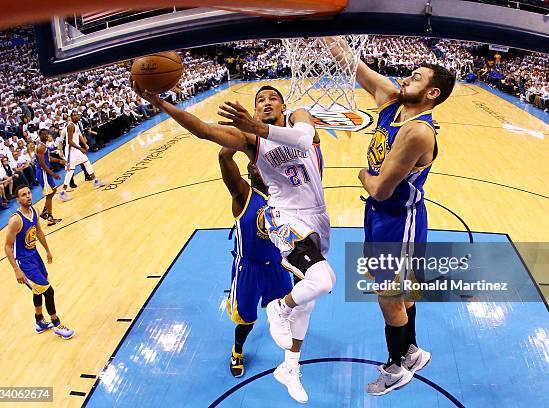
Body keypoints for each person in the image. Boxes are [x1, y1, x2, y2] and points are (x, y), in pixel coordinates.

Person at [132, 81, 335, 404]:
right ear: (253, 111)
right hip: (285, 216)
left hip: (317, 216)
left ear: (283, 107)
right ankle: (277, 309)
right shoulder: (249, 142)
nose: (267, 102)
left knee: (308, 300)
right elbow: (201, 130)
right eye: (260, 100)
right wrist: (157, 100)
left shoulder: (299, 117)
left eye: (273, 98)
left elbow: (305, 137)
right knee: (322, 281)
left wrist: (256, 125)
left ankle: (290, 367)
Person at [328, 37, 455, 395]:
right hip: (384, 215)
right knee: (403, 289)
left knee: (388, 294)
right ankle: (411, 351)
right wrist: (320, 32)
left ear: (431, 93)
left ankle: (396, 367)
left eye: (415, 77)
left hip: (399, 219)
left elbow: (381, 188)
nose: (405, 79)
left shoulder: (417, 131)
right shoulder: (391, 102)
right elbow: (353, 65)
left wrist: (362, 176)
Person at [218, 147, 292, 378]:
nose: (260, 167)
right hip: (249, 269)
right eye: (256, 163)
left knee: (288, 309)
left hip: (277, 266)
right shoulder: (242, 194)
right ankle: (237, 350)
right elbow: (223, 156)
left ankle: (290, 350)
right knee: (247, 320)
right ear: (250, 170)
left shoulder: (284, 196)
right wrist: (247, 134)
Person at [3, 185, 74, 339]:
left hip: (35, 256)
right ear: (18, 199)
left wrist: (47, 250)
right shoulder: (15, 220)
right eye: (23, 195)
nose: (28, 196)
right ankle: (57, 324)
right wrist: (16, 269)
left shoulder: (34, 211)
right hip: (23, 262)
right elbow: (7, 247)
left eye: (28, 193)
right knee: (48, 290)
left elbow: (39, 231)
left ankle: (40, 321)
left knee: (38, 289)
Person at [58, 111, 106, 201]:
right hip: (70, 151)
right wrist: (80, 148)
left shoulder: (76, 125)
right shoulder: (70, 126)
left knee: (86, 162)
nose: (77, 116)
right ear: (71, 117)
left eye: (77, 114)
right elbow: (70, 141)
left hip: (76, 149)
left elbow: (80, 136)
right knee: (70, 171)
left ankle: (95, 181)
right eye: (74, 115)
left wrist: (85, 144)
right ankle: (62, 192)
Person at [35, 129, 64, 226]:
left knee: (53, 190)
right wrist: (53, 174)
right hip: (43, 173)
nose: (46, 135)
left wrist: (59, 161)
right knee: (49, 193)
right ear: (40, 135)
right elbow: (42, 164)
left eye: (47, 133)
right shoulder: (40, 147)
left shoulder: (44, 146)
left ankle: (45, 211)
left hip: (45, 172)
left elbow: (48, 158)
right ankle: (49, 217)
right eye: (44, 134)